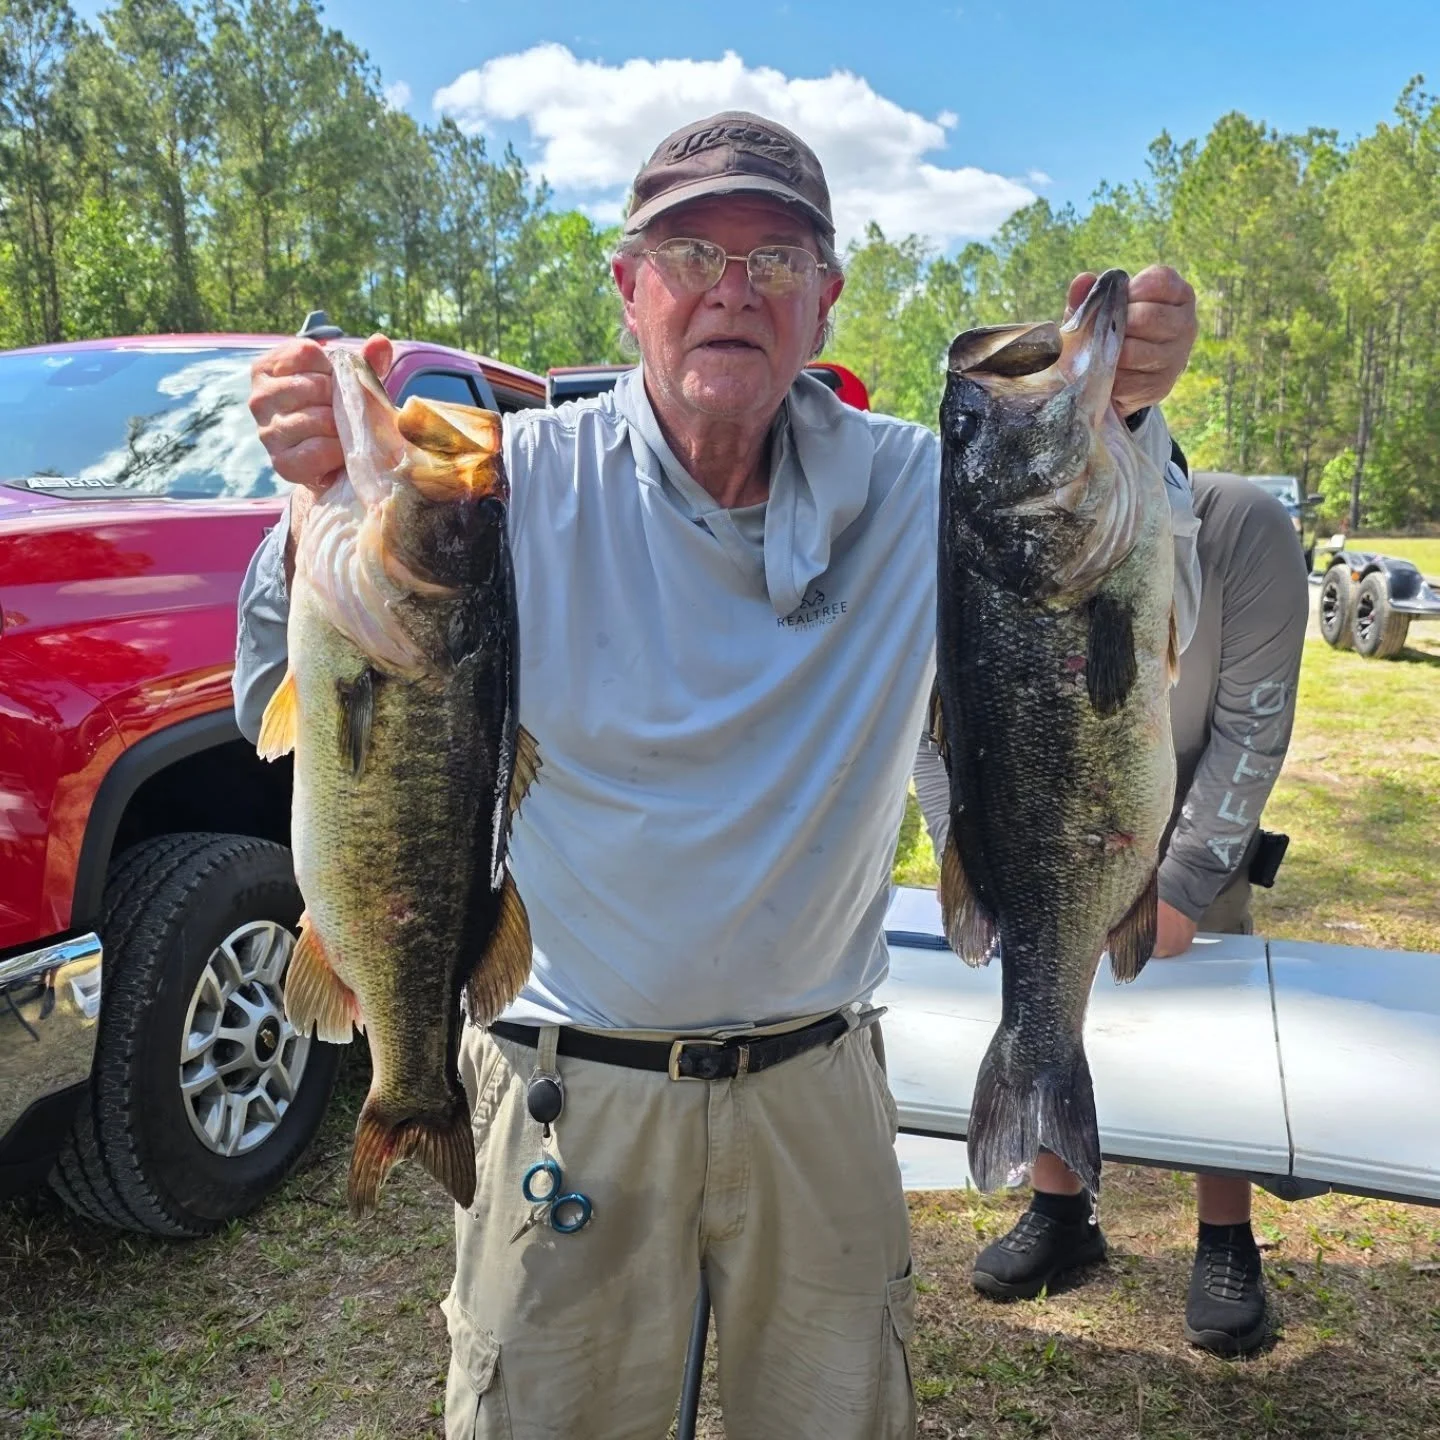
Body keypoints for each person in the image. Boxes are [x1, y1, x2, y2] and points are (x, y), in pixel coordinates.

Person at [235, 110, 1201, 1438]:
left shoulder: (931, 492)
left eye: (779, 261)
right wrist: (309, 482)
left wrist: (1136, 416)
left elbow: (1118, 602)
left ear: (826, 302)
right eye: (691, 254)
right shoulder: (509, 482)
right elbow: (294, 680)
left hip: (818, 1091)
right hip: (567, 1085)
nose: (733, 290)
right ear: (630, 290)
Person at [914, 468, 1309, 1358]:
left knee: (1215, 1017)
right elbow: (934, 722)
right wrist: (975, 861)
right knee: (1049, 986)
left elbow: (1255, 723)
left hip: (1182, 812)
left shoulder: (1242, 525)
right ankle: (1060, 1206)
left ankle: (1225, 1236)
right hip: (1040, 817)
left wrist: (1183, 881)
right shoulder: (985, 539)